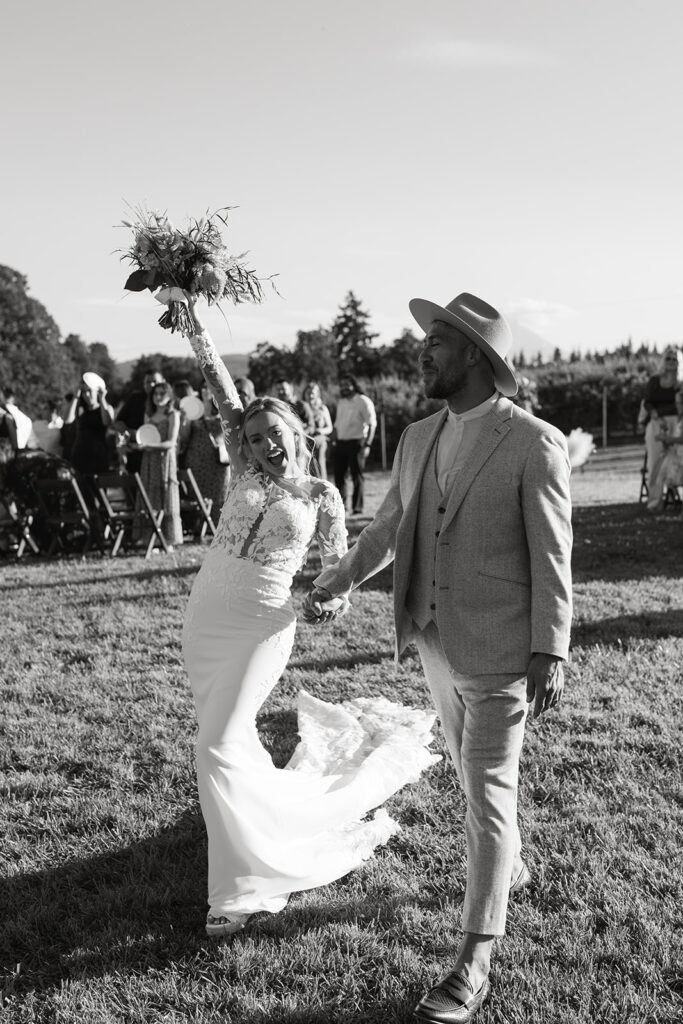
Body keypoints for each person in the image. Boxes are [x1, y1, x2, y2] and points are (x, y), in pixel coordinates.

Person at [304, 292, 573, 1024]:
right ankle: (507, 866)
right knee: (464, 772)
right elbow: (387, 526)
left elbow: (553, 555)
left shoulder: (532, 441)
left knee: (487, 795)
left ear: (478, 358)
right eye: (423, 340)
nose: (421, 350)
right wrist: (335, 580)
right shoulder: (418, 436)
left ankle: (471, 962)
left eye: (438, 341)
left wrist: (551, 646)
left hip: (499, 647)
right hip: (430, 636)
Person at [178, 294, 440, 939]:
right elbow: (215, 378)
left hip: (262, 624)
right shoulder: (240, 466)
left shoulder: (321, 495)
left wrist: (333, 598)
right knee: (229, 742)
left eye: (278, 435)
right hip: (205, 618)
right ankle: (256, 828)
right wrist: (187, 310)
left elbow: (335, 567)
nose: (268, 445)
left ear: (299, 435)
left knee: (214, 744)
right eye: (258, 436)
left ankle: (240, 889)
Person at [134, 379, 183, 549]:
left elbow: (171, 442)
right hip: (149, 461)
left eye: (162, 393)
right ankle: (150, 539)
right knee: (149, 497)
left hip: (165, 460)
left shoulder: (173, 414)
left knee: (165, 497)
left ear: (169, 396)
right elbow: (144, 437)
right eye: (155, 393)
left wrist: (150, 447)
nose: (158, 397)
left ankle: (168, 540)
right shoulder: (148, 415)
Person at [180, 381, 231, 526]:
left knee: (219, 492)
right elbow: (184, 436)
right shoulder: (193, 409)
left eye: (208, 388)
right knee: (197, 493)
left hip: (217, 460)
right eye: (203, 387)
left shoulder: (224, 408)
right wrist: (184, 420)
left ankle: (218, 524)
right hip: (196, 460)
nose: (205, 391)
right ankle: (199, 525)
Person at [331, 374, 377, 514]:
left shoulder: (363, 401)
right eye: (342, 384)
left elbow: (372, 424)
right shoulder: (341, 402)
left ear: (354, 385)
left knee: (357, 477)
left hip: (357, 443)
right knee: (339, 476)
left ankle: (357, 508)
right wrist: (333, 440)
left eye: (347, 384)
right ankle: (342, 506)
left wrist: (367, 445)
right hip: (340, 443)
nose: (344, 387)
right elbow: (337, 425)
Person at [642, 348, 682, 497]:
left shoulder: (680, 383)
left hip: (677, 423)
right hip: (656, 423)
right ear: (663, 361)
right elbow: (647, 401)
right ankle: (655, 500)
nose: (671, 362)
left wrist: (660, 411)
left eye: (674, 359)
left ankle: (675, 494)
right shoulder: (654, 381)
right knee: (655, 461)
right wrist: (654, 414)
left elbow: (679, 405)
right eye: (668, 358)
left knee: (676, 458)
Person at [115, 370, 166, 474]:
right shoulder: (135, 399)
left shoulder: (168, 404)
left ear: (163, 382)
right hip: (134, 455)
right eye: (148, 382)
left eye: (155, 381)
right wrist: (128, 433)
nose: (151, 384)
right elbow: (118, 422)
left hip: (158, 456)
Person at [65, 375, 115, 477]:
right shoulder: (80, 408)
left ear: (97, 391)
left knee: (97, 491)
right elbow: (67, 420)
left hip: (98, 457)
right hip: (79, 455)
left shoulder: (106, 407)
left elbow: (107, 422)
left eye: (90, 391)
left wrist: (102, 399)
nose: (87, 395)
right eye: (84, 392)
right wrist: (76, 396)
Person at [647, 387, 683, 512]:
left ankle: (657, 502)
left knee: (660, 467)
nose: (677, 406)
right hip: (677, 453)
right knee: (658, 464)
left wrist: (667, 438)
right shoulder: (679, 419)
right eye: (676, 403)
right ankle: (657, 501)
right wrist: (664, 436)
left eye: (679, 403)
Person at [303, 382, 333, 478]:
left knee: (319, 459)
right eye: (308, 393)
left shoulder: (322, 408)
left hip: (320, 439)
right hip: (307, 439)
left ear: (317, 394)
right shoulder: (303, 408)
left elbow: (330, 428)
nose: (310, 395)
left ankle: (322, 482)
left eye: (313, 393)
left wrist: (320, 430)